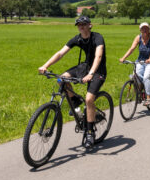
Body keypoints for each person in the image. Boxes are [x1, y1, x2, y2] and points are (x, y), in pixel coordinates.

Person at [38, 16, 106, 148]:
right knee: (61, 79)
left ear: (89, 25)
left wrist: (91, 73)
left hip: (98, 71)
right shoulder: (78, 38)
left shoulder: (97, 37)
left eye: (84, 24)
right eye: (79, 25)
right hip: (85, 67)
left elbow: (99, 56)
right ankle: (75, 101)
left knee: (89, 99)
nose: (81, 27)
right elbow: (60, 53)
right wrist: (45, 65)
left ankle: (90, 133)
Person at [120, 22, 150, 106]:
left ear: (149, 29)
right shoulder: (138, 37)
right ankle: (140, 94)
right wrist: (124, 58)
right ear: (140, 30)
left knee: (146, 77)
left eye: (146, 28)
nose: (144, 30)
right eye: (143, 28)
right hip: (141, 61)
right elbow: (132, 48)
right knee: (136, 77)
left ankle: (148, 98)